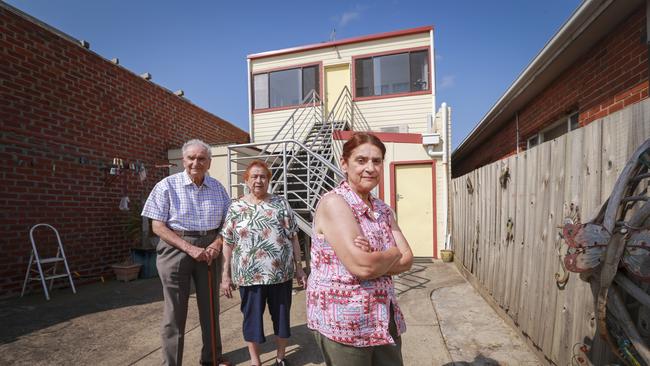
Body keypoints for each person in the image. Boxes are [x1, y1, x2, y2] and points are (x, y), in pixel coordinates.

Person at [306, 132, 414, 366]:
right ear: (344, 164)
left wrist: (376, 255)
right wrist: (392, 252)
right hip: (347, 324)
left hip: (383, 317)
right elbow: (364, 266)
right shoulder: (335, 203)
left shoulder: (383, 209)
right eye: (361, 160)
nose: (370, 168)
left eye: (376, 161)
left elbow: (409, 259)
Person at [142, 139, 231, 366]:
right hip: (176, 249)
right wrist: (190, 248)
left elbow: (229, 223)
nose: (196, 163)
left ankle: (212, 358)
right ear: (183, 160)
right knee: (175, 313)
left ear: (209, 162)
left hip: (210, 249)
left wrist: (216, 244)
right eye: (191, 158)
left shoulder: (218, 188)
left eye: (201, 158)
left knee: (211, 308)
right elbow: (157, 226)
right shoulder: (166, 186)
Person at [220, 160, 307, 366]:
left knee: (282, 318)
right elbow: (228, 242)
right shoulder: (236, 207)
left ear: (268, 180)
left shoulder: (281, 204)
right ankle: (255, 361)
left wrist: (299, 268)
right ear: (246, 181)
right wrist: (225, 275)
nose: (259, 180)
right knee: (252, 320)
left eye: (263, 177)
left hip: (280, 274)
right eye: (254, 177)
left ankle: (280, 357)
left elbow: (294, 237)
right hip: (249, 276)